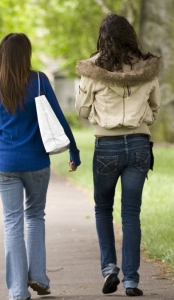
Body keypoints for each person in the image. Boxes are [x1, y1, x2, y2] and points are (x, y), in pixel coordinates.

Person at [0, 33, 81, 300]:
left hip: (6, 165)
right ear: (27, 54)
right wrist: (74, 151)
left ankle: (19, 291)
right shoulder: (40, 82)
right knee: (35, 216)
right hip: (36, 164)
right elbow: (59, 119)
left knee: (12, 223)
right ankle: (39, 277)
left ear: (2, 56)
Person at [75, 13, 161, 297]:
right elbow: (155, 108)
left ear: (103, 36)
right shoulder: (147, 67)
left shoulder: (92, 69)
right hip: (138, 145)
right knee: (131, 213)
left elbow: (82, 110)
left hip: (107, 147)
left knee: (102, 209)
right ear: (130, 35)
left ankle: (110, 268)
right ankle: (132, 281)